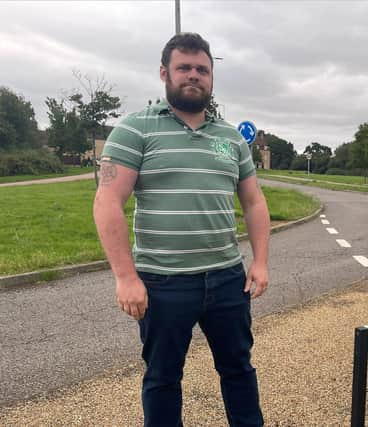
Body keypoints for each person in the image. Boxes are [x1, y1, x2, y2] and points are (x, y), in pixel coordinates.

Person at [93, 32, 269, 426]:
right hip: (163, 282)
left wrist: (260, 262)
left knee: (239, 369)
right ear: (164, 73)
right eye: (184, 68)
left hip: (227, 279)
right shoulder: (135, 130)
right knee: (163, 378)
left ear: (211, 77)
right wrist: (125, 277)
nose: (194, 75)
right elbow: (107, 202)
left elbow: (254, 202)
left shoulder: (230, 139)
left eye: (202, 70)